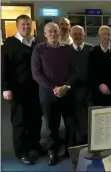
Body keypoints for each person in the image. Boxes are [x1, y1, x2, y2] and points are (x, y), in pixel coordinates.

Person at [31, 22, 77, 166]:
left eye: (55, 31)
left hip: (67, 93)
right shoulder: (38, 50)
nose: (53, 34)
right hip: (48, 95)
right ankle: (53, 152)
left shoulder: (68, 49)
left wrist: (66, 86)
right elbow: (36, 74)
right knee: (51, 126)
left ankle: (70, 150)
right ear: (45, 34)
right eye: (49, 32)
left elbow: (74, 71)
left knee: (70, 124)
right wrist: (53, 88)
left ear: (60, 33)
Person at [1, 15, 44, 165]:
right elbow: (3, 67)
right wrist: (5, 88)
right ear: (17, 26)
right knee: (19, 121)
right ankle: (21, 151)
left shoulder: (36, 43)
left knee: (35, 119)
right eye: (23, 24)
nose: (26, 27)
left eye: (28, 24)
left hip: (36, 89)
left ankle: (34, 144)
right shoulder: (9, 44)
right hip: (17, 90)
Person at [88, 26, 111, 106]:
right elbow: (91, 73)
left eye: (108, 34)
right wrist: (100, 85)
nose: (106, 36)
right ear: (99, 36)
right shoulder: (93, 52)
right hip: (99, 92)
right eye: (104, 34)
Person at [70, 25, 94, 144]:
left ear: (84, 35)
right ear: (71, 35)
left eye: (80, 34)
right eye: (75, 34)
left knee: (89, 116)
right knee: (76, 117)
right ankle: (78, 142)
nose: (78, 36)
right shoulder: (66, 50)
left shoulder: (91, 49)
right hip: (73, 90)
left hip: (89, 89)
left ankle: (89, 141)